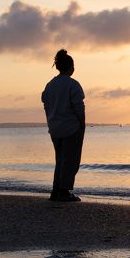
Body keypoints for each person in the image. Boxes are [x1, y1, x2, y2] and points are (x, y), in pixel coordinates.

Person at [42, 48, 85, 202]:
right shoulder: (73, 84)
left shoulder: (50, 85)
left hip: (55, 128)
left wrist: (51, 122)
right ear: (70, 67)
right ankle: (63, 191)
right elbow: (79, 107)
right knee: (70, 160)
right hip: (70, 127)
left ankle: (56, 190)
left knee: (60, 160)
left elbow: (46, 104)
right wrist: (82, 124)